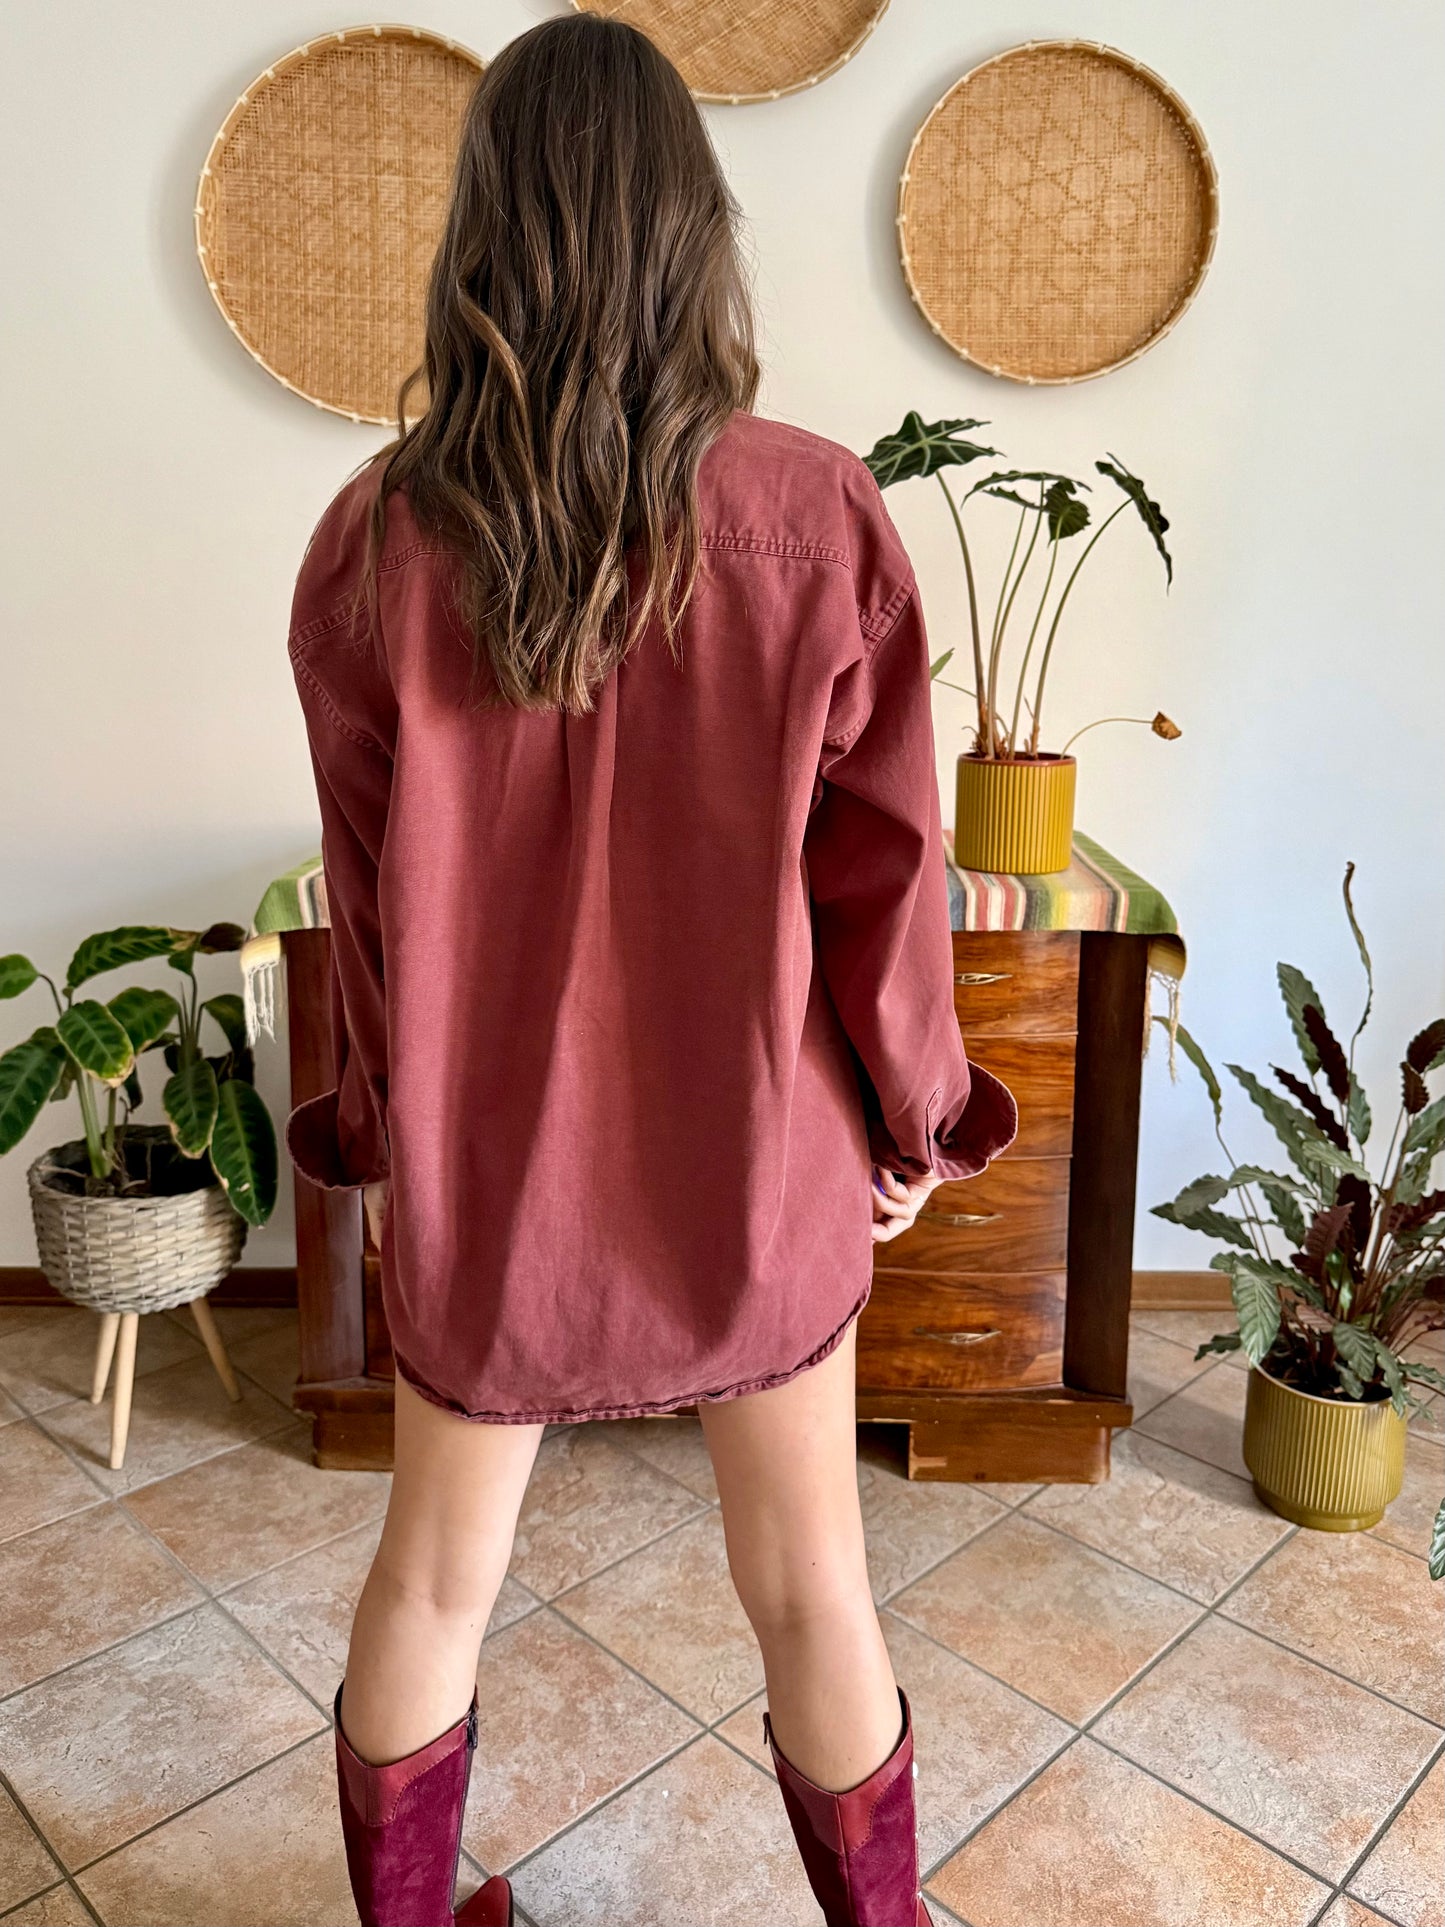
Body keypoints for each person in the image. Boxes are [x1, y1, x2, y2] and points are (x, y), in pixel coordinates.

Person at [284, 16, 1017, 1927]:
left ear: (479, 242)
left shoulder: (372, 543)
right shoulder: (812, 512)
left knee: (432, 1576)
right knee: (811, 1584)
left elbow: (364, 902)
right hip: (750, 1153)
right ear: (696, 235)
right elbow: (887, 877)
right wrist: (912, 1115)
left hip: (495, 1172)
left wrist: (375, 1128)